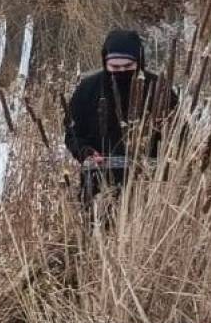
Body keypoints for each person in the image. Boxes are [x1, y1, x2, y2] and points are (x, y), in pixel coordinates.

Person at [64, 30, 176, 205]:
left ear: (139, 62)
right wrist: (85, 152)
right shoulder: (88, 90)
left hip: (150, 187)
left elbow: (178, 133)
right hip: (99, 186)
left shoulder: (159, 90)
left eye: (128, 66)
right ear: (105, 63)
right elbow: (73, 132)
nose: (122, 72)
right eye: (115, 68)